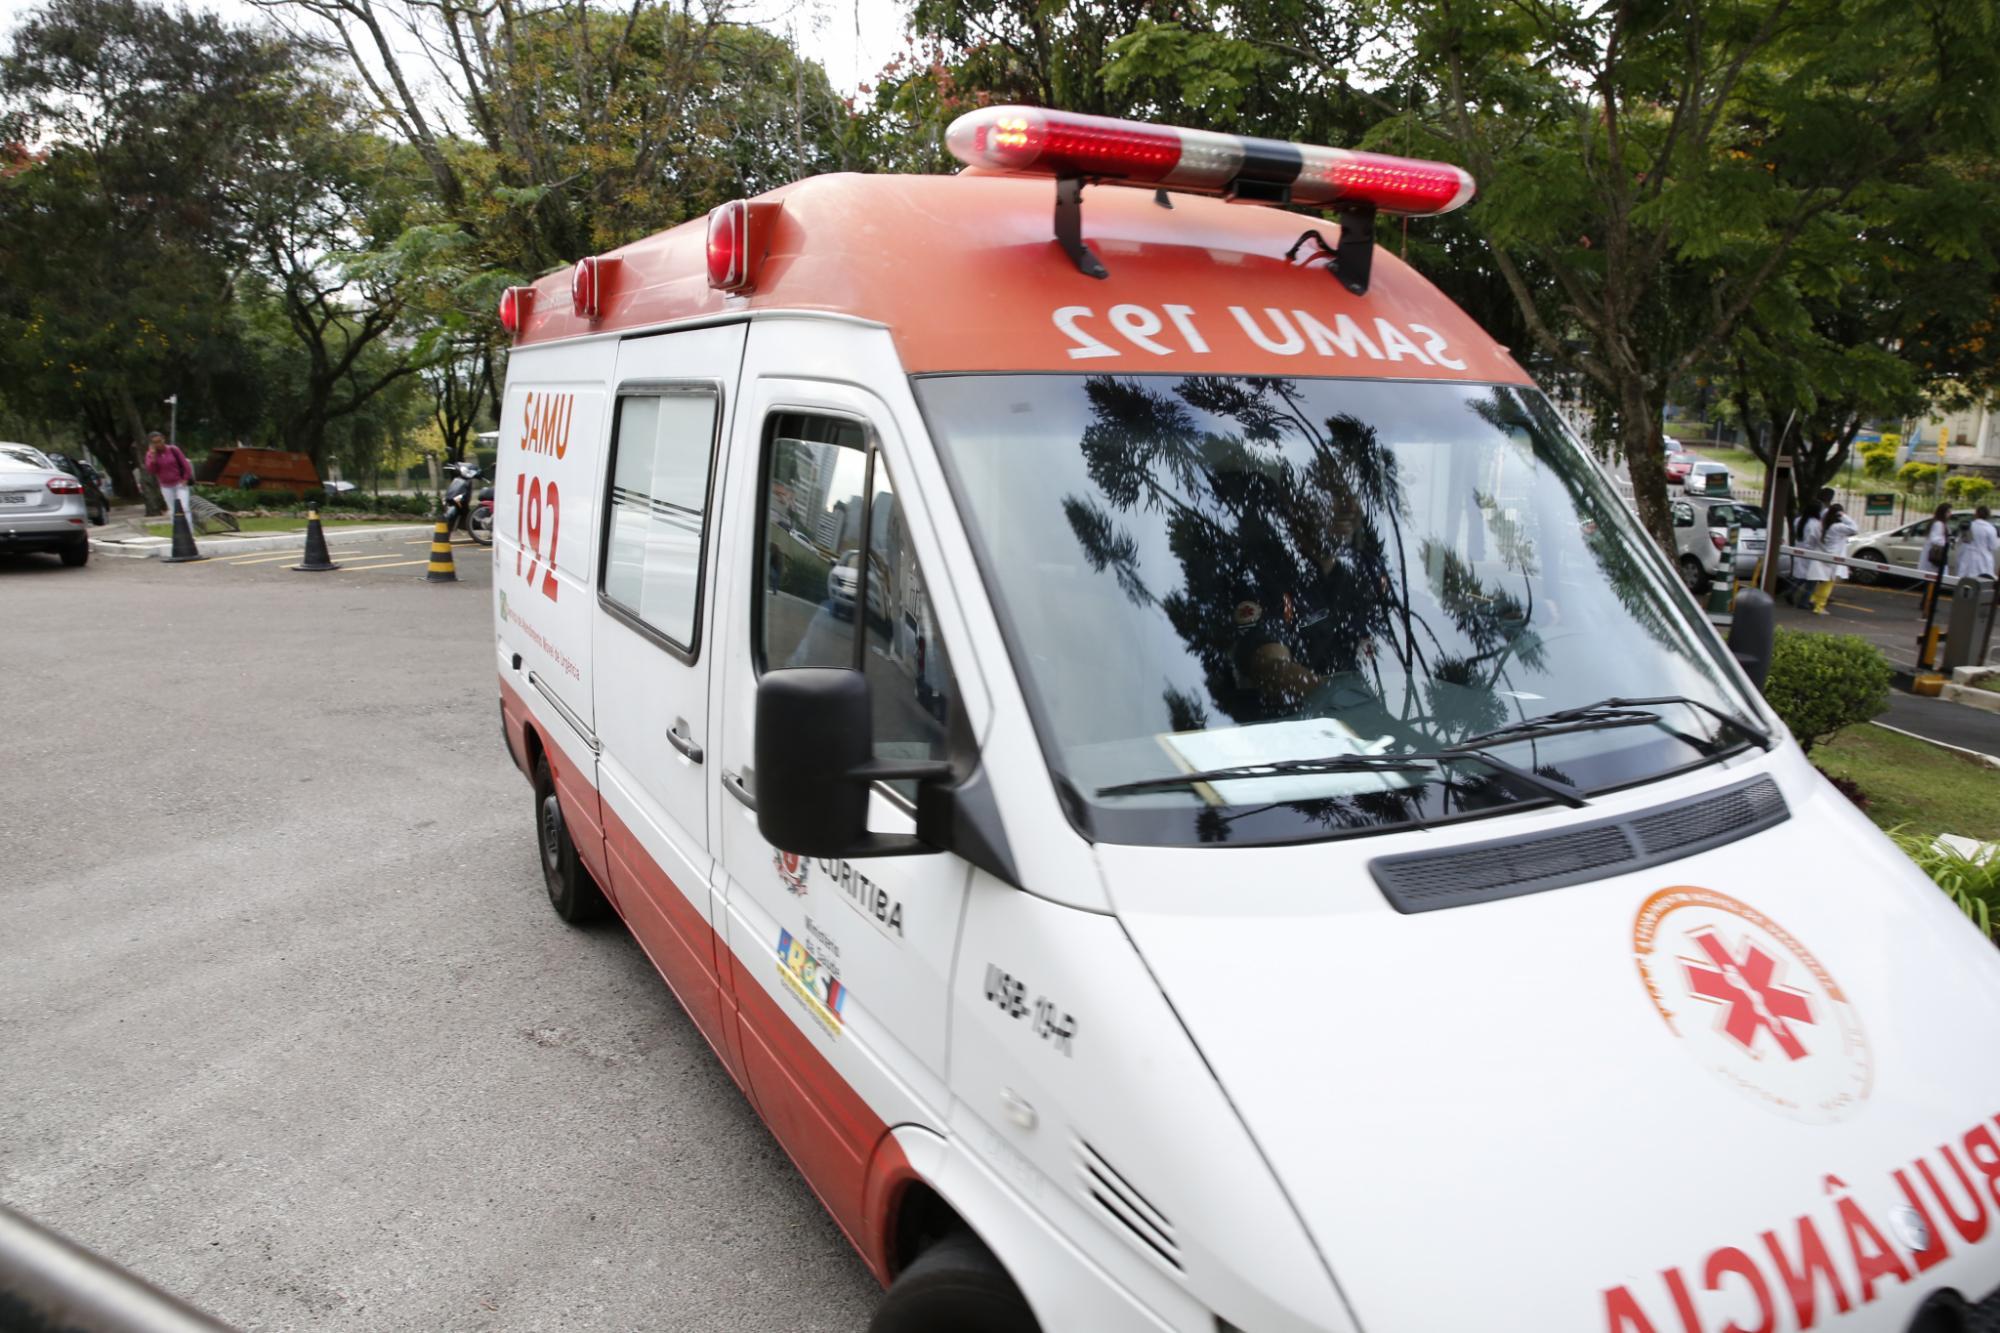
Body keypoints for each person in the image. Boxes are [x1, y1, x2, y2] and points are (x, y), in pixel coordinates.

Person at [1811, 504, 1857, 615]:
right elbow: (1854, 528)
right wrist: (1843, 516)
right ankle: (1819, 606)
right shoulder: (1838, 527)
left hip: (1824, 556)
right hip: (1834, 558)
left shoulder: (1823, 525)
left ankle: (1814, 599)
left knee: (1822, 582)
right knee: (1828, 584)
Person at [143, 432, 196, 528]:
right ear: (151, 444)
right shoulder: (150, 455)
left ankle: (189, 531)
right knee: (173, 510)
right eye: (155, 442)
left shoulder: (173, 450)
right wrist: (154, 457)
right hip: (166, 486)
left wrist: (185, 478)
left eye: (160, 441)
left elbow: (185, 465)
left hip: (179, 484)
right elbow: (151, 470)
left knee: (184, 508)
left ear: (163, 439)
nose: (158, 444)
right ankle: (178, 531)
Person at [1919, 501, 1953, 616]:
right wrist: (1947, 542)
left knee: (1932, 582)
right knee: (1933, 581)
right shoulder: (1939, 524)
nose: (1950, 514)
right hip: (1936, 556)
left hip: (1935, 556)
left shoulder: (1939, 523)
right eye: (1948, 511)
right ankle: (1928, 604)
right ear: (1943, 512)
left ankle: (1927, 603)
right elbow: (1935, 539)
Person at [1791, 500, 1826, 607]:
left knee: (1800, 577)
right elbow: (1817, 539)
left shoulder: (1798, 520)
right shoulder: (1816, 524)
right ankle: (1804, 602)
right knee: (1812, 579)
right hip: (1811, 553)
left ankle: (1790, 592)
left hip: (1799, 551)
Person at [1957, 505, 1997, 580]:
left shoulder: (1968, 526)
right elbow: (1993, 546)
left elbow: (1961, 540)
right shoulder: (1990, 529)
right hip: (1983, 560)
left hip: (1967, 559)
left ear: (1976, 514)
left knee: (1964, 582)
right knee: (1981, 583)